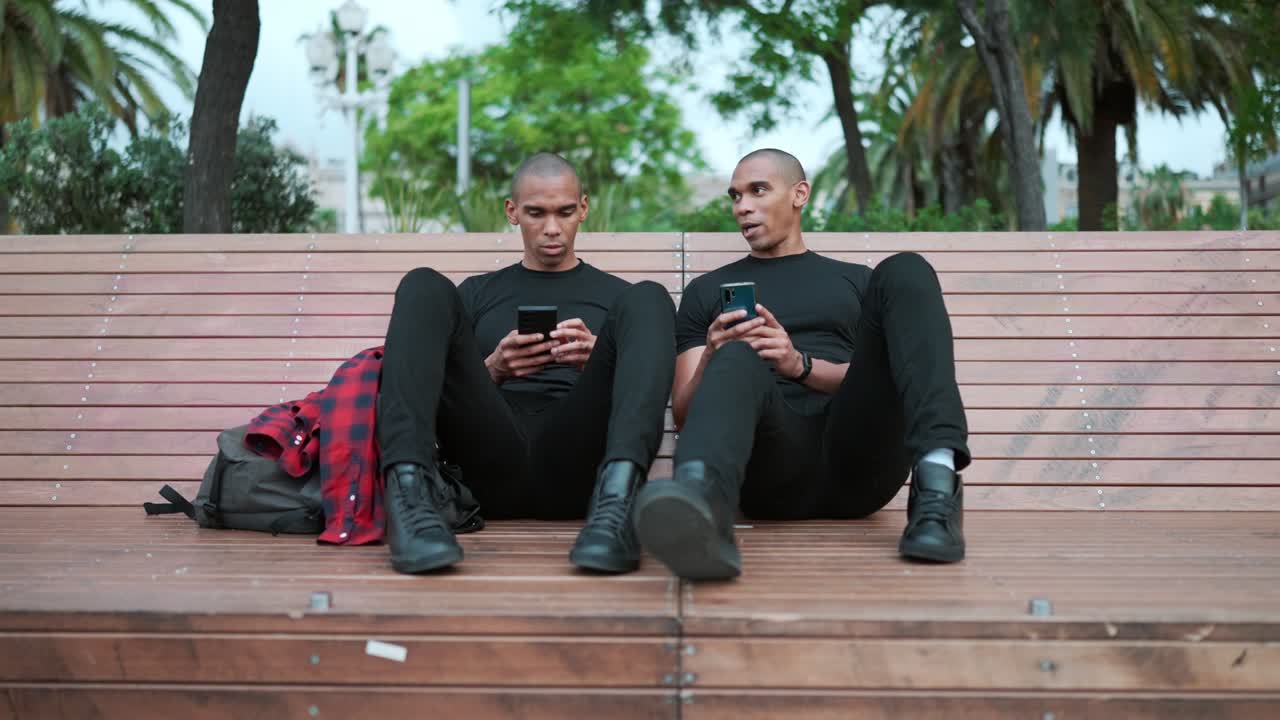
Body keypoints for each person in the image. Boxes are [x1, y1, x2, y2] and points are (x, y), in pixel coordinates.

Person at [633, 148, 970, 580]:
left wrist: (798, 365)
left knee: (907, 268)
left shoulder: (858, 282)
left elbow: (885, 380)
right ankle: (702, 513)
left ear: (800, 194)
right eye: (735, 196)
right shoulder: (706, 291)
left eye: (758, 190)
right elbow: (683, 414)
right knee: (737, 353)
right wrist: (713, 356)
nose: (743, 207)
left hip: (860, 461)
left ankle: (937, 488)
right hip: (768, 471)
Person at [377, 152, 675, 574]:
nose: (552, 228)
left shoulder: (619, 299)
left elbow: (638, 386)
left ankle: (619, 504)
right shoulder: (475, 295)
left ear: (583, 209)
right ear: (512, 212)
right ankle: (409, 500)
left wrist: (600, 364)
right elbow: (445, 394)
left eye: (565, 212)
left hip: (581, 465)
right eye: (536, 213)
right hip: (488, 459)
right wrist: (494, 369)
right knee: (423, 284)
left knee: (650, 297)